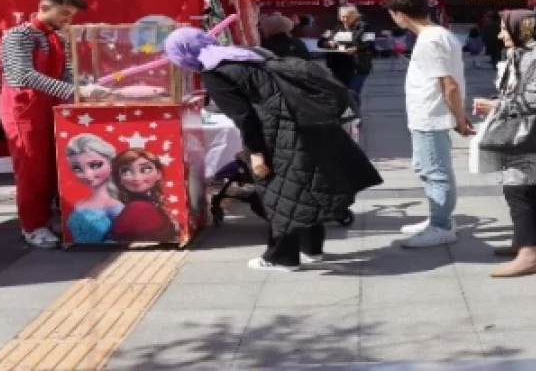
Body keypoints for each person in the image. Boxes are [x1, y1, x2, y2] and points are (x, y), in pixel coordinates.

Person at [163, 28, 382, 271]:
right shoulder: (246, 54)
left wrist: (255, 153)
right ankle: (312, 249)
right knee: (305, 188)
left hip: (279, 134)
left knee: (281, 195)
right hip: (307, 123)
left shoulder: (214, 72)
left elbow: (244, 117)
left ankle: (282, 257)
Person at [0, 0, 109, 249]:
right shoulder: (17, 36)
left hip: (52, 109)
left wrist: (86, 88)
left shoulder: (57, 38)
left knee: (53, 169)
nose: (68, 20)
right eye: (64, 14)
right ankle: (32, 226)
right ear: (45, 7)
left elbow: (66, 74)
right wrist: (74, 91)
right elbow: (22, 75)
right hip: (23, 112)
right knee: (32, 172)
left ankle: (51, 217)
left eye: (70, 15)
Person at [473, 10, 536, 277]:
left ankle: (528, 254)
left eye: (504, 29)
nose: (500, 34)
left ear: (523, 29)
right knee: (521, 187)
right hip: (519, 128)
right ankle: (530, 241)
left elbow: (535, 100)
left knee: (520, 189)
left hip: (532, 131)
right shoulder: (522, 52)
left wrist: (496, 106)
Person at [385, 0, 472, 248]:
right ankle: (438, 218)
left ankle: (441, 226)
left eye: (393, 15)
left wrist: (459, 117)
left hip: (430, 116)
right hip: (427, 114)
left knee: (436, 172)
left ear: (400, 15)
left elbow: (450, 85)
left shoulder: (430, 40)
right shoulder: (439, 35)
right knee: (427, 168)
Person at [64, 134, 123, 244]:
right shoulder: (79, 203)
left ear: (111, 164)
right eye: (77, 168)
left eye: (95, 165)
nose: (87, 175)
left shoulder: (114, 206)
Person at [322, 5, 374, 102]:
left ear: (355, 16)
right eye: (342, 16)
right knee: (340, 93)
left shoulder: (365, 27)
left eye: (348, 17)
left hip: (358, 66)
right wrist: (328, 43)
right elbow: (321, 41)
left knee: (352, 93)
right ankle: (345, 115)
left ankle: (355, 115)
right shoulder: (335, 28)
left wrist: (356, 48)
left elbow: (370, 45)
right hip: (338, 66)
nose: (345, 19)